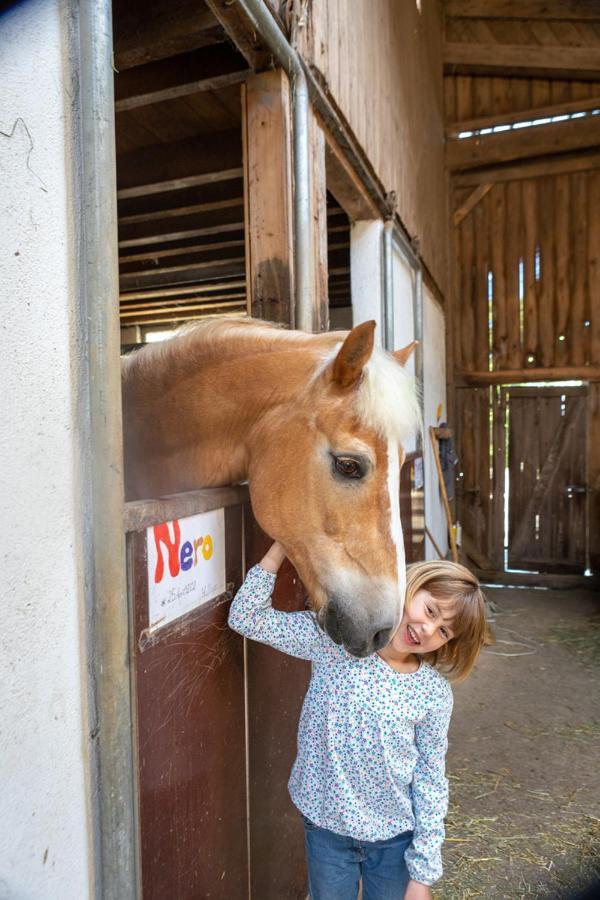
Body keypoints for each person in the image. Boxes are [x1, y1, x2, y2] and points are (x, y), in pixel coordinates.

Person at [228, 542, 487, 899]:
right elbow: (246, 617)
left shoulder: (432, 693)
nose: (427, 629)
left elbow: (430, 778)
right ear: (408, 585)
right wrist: (281, 548)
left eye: (443, 631)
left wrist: (423, 873)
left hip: (394, 840)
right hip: (326, 829)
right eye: (428, 610)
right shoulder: (338, 642)